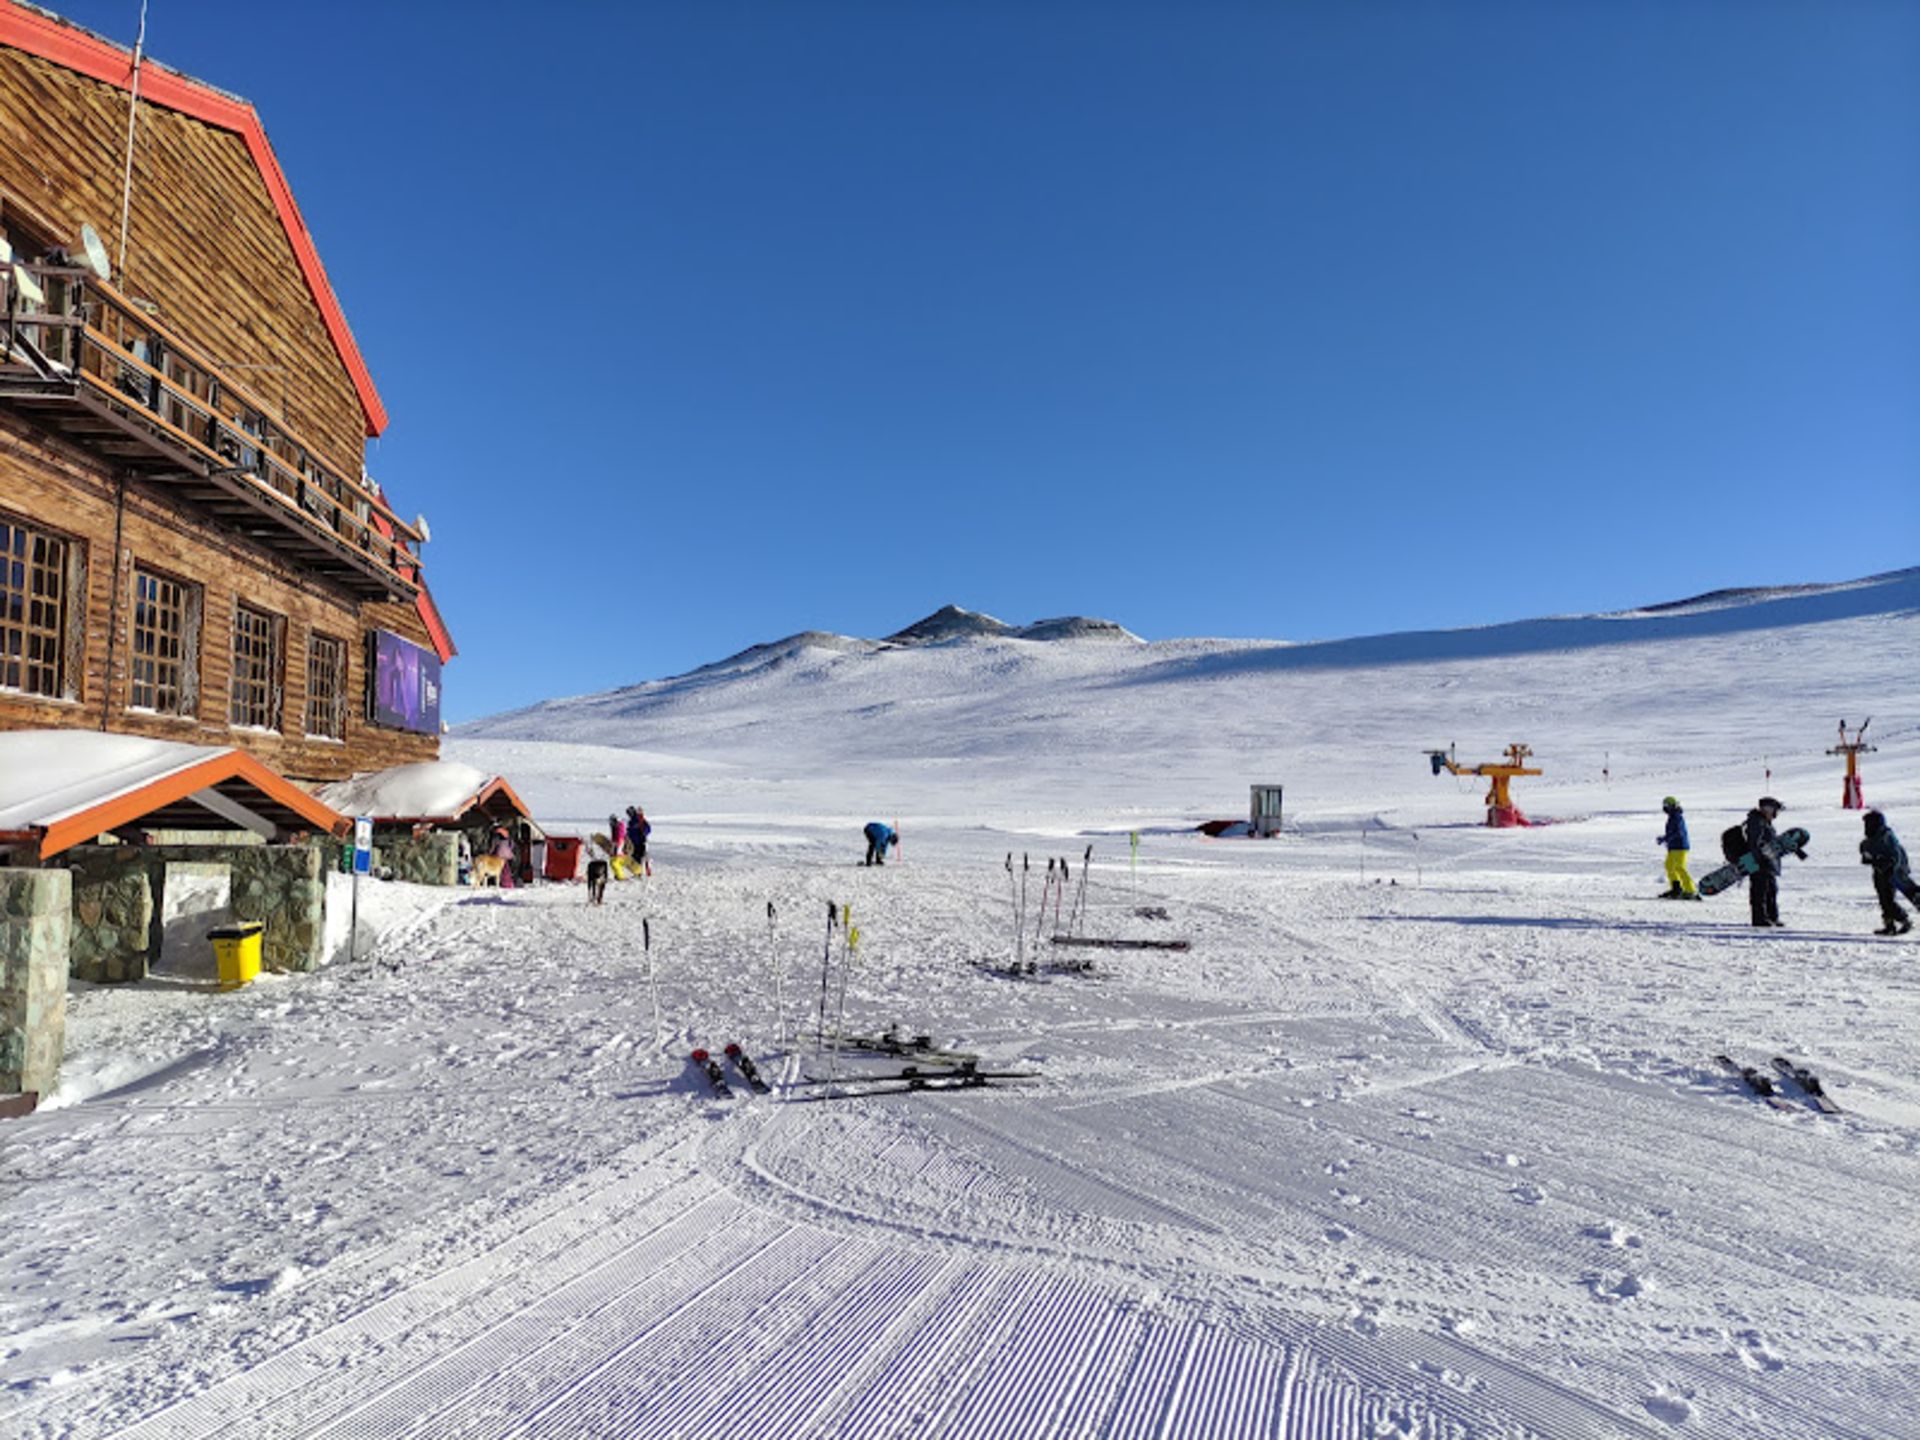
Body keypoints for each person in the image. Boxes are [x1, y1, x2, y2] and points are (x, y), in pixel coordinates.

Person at [1860, 810, 1919, 936]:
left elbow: (1896, 855)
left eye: (1868, 823)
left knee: (1888, 899)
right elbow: (1867, 853)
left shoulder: (1886, 836)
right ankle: (1889, 925)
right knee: (1883, 899)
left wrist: (1891, 868)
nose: (1866, 826)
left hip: (1891, 873)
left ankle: (1904, 920)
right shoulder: (1872, 837)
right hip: (1879, 871)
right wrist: (1867, 856)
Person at [1743, 796, 1790, 928]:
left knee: (1771, 890)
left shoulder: (1764, 822)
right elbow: (1755, 843)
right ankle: (1759, 918)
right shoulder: (1756, 822)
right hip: (1758, 863)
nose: (1776, 814)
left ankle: (1772, 916)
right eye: (1775, 810)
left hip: (1767, 862)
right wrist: (1760, 859)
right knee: (1760, 891)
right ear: (1768, 809)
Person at [1656, 796, 1697, 899]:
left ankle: (1690, 890)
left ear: (1671, 806)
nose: (1664, 809)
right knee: (1669, 865)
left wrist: (1665, 838)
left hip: (1680, 846)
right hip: (1673, 846)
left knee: (1680, 867)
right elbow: (1672, 832)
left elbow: (1677, 832)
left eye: (1666, 806)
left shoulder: (1677, 817)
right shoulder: (1673, 816)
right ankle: (1676, 888)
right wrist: (1666, 839)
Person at [627, 806, 652, 876]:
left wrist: (644, 833)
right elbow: (629, 832)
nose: (629, 814)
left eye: (630, 813)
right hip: (633, 843)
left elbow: (648, 828)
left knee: (642, 857)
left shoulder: (640, 820)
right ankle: (638, 872)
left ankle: (644, 871)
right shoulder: (631, 822)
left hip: (641, 842)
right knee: (635, 857)